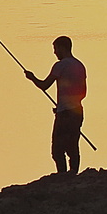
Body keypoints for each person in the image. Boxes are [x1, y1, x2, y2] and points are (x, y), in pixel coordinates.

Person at [25, 35, 88, 176]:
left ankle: (62, 176)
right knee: (73, 146)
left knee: (57, 150)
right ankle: (73, 174)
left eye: (55, 49)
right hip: (77, 111)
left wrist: (32, 77)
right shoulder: (79, 65)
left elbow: (44, 85)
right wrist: (68, 103)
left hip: (65, 113)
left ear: (62, 48)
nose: (54, 52)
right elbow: (84, 92)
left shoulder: (60, 65)